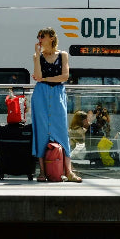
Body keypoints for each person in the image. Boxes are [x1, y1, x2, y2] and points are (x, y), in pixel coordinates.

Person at [31, 27, 81, 182]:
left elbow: (64, 77)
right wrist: (37, 56)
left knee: (61, 131)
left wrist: (45, 79)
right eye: (38, 36)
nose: (39, 38)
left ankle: (69, 171)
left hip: (57, 93)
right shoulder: (37, 56)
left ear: (51, 38)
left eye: (42, 36)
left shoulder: (63, 55)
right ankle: (42, 171)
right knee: (41, 131)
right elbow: (37, 76)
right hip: (41, 95)